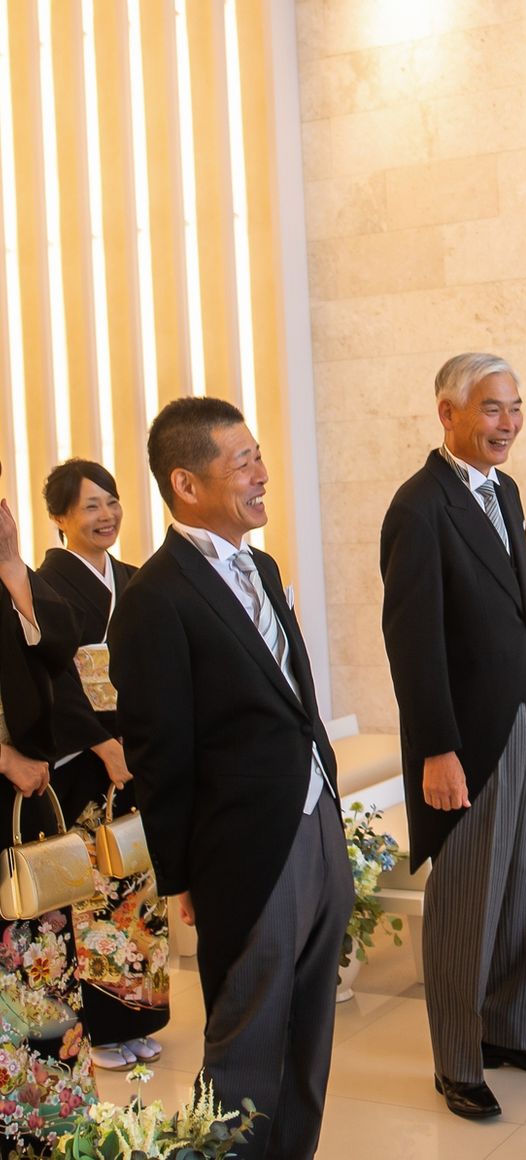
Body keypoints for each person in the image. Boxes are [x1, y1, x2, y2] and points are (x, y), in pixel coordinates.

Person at [108, 398, 353, 1160]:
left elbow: (293, 695)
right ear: (186, 483)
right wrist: (183, 875)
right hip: (244, 849)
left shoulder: (262, 567)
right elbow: (161, 753)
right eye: (243, 463)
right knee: (247, 1038)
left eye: (258, 457)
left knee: (309, 1030)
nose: (262, 475)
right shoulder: (154, 598)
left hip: (315, 820)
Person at [380, 352, 526, 1121]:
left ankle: (511, 1030)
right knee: (468, 899)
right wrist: (437, 748)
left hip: (523, 711)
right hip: (464, 736)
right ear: (448, 413)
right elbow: (413, 644)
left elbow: (520, 606)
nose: (509, 423)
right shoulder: (418, 507)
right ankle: (459, 1063)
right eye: (493, 408)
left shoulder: (506, 491)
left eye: (516, 407)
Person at [38, 460, 168, 1072]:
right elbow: (55, 680)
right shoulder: (44, 587)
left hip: (136, 749)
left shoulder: (136, 579)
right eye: (91, 505)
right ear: (60, 517)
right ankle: (102, 1027)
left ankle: (140, 1016)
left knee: (139, 885)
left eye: (111, 501)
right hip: (85, 760)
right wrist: (101, 744)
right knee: (95, 892)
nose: (107, 515)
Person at [0, 460, 94, 1148]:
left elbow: (61, 648)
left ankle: (52, 1120)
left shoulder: (12, 575)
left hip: (24, 797)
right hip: (10, 772)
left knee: (39, 956)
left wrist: (13, 572)